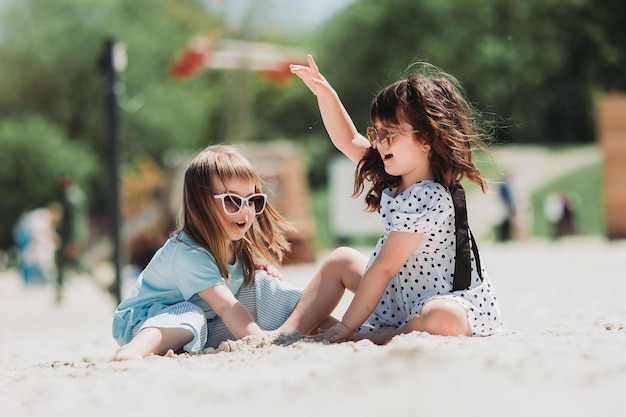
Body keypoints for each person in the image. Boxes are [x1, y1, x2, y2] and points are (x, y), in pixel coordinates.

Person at [276, 55, 503, 344]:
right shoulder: (394, 174)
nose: (380, 142)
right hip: (399, 295)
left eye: (390, 134)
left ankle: (379, 335)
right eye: (377, 132)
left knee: (443, 318)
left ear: (426, 140)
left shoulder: (429, 196)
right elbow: (347, 140)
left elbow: (383, 268)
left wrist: (346, 327)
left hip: (440, 298)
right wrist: (326, 94)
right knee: (341, 260)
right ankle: (288, 331)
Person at [111, 145, 304, 361]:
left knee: (262, 285)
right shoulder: (188, 252)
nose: (246, 211)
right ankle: (135, 350)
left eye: (253, 200)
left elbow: (234, 296)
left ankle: (324, 325)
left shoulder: (233, 241)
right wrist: (259, 338)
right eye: (232, 201)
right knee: (190, 313)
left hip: (204, 319)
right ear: (202, 206)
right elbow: (226, 306)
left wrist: (255, 271)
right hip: (146, 321)